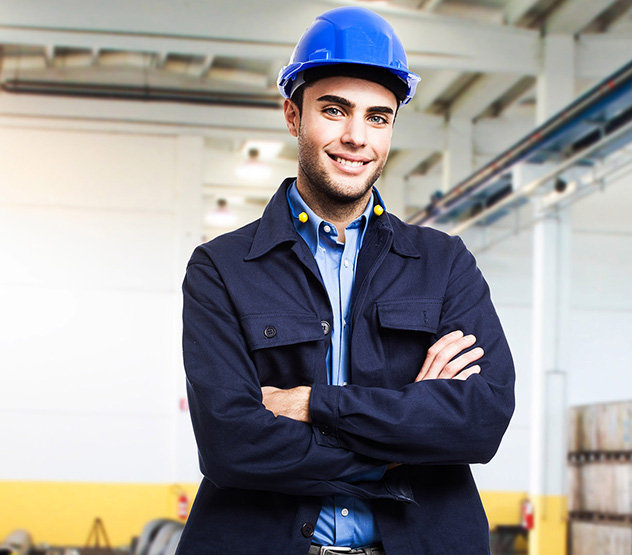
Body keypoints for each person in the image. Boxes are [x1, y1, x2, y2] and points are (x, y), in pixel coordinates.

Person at [178, 7, 515, 554]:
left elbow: (480, 422)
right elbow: (231, 445)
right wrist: (408, 433)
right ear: (293, 115)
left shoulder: (444, 263)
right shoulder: (222, 266)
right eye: (334, 111)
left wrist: (313, 404)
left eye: (378, 118)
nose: (356, 137)